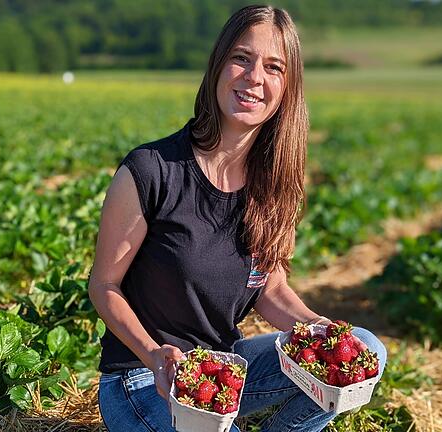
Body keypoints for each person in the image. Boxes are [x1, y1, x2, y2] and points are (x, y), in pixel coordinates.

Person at [89, 5, 385, 431]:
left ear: (287, 87)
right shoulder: (152, 170)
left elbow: (270, 287)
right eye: (241, 59)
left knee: (365, 349)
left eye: (273, 67)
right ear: (218, 66)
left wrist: (317, 328)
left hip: (225, 374)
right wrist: (153, 354)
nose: (254, 78)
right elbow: (104, 285)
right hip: (143, 378)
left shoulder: (276, 183)